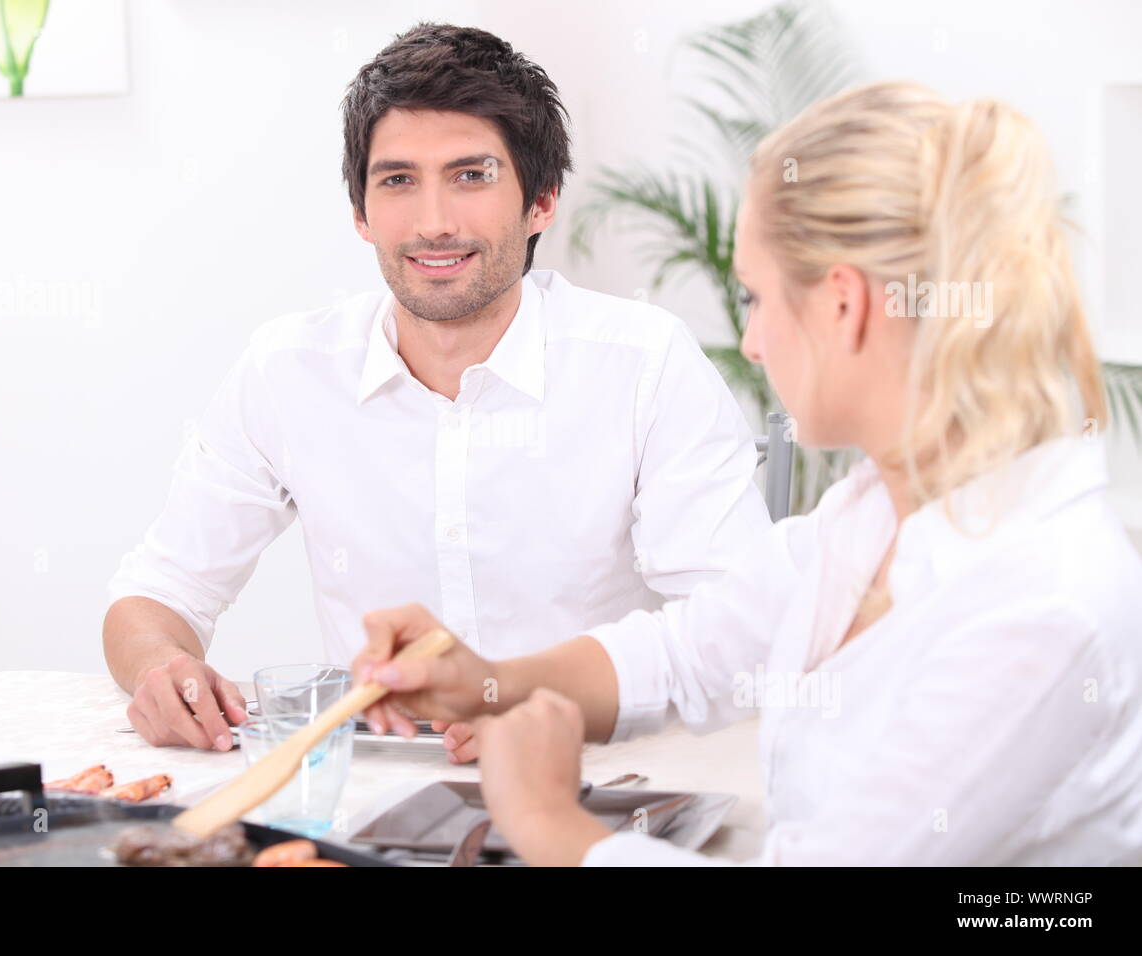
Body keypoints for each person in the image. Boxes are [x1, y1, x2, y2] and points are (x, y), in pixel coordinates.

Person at [352, 80, 1142, 865]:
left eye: (757, 298)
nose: (752, 342)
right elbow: (686, 653)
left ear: (842, 305)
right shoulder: (871, 513)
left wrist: (547, 820)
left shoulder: (1037, 601)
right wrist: (482, 679)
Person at [102, 23, 770, 753]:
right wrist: (161, 665)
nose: (433, 223)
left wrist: (545, 703)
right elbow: (159, 591)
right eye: (397, 181)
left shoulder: (644, 364)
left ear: (541, 200)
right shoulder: (287, 369)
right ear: (360, 212)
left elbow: (739, 630)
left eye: (471, 175)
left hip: (595, 780)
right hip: (369, 787)